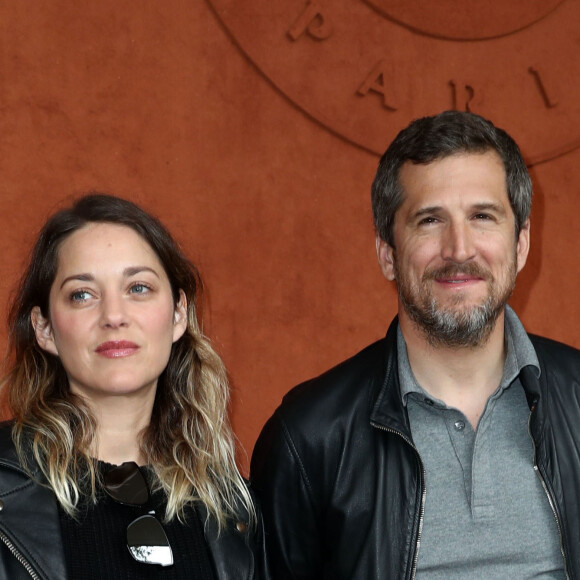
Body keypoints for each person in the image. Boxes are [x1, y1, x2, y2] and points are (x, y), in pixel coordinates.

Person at [251, 111, 580, 579]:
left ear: (521, 245)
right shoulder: (309, 439)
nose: (459, 248)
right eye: (429, 221)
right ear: (388, 253)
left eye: (482, 217)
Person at [0, 194, 268, 579]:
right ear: (44, 328)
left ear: (178, 313)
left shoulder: (234, 512)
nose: (114, 316)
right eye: (82, 294)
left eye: (138, 288)